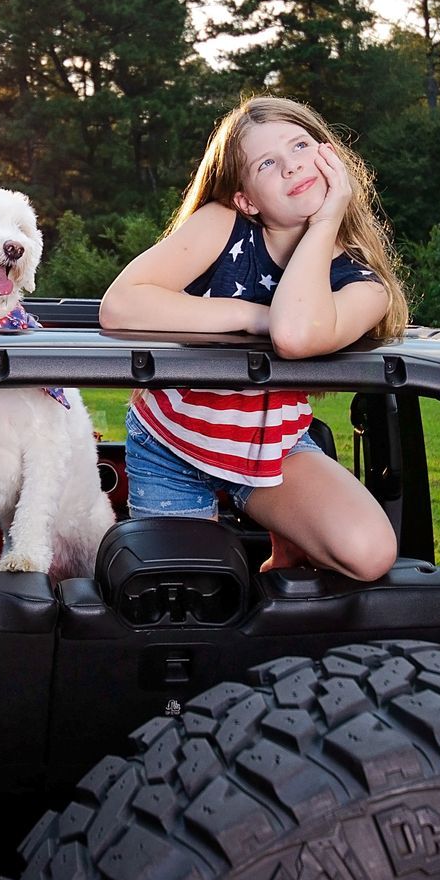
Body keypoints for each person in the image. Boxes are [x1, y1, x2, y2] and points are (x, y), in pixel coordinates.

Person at [99, 96, 409, 581]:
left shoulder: (363, 285)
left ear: (330, 156)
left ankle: (282, 548)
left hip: (273, 447)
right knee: (181, 591)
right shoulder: (224, 224)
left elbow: (293, 334)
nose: (291, 167)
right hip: (171, 441)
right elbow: (119, 306)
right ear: (245, 198)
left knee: (368, 552)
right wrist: (249, 314)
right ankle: (269, 549)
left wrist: (326, 222)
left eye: (300, 145)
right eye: (268, 163)